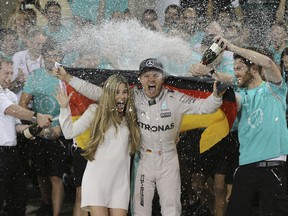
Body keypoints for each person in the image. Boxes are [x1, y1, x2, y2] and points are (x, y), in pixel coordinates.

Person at [53, 57, 224, 216]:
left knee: (171, 208)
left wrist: (216, 96)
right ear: (140, 79)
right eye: (146, 75)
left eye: (155, 75)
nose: (151, 79)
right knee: (141, 210)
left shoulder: (175, 98)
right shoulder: (132, 97)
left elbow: (204, 107)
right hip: (144, 159)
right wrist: (69, 78)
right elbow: (100, 94)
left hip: (169, 158)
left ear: (162, 78)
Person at [192, 35, 288, 216]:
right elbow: (226, 88)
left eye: (240, 68)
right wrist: (207, 71)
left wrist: (232, 47)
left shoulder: (275, 89)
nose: (236, 72)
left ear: (253, 68)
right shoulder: (240, 96)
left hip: (273, 166)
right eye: (234, 68)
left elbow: (267, 62)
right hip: (245, 168)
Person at [55, 74, 141, 216]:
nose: (121, 96)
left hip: (120, 183)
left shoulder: (130, 116)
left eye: (124, 92)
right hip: (97, 181)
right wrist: (64, 108)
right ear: (108, 94)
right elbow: (69, 133)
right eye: (116, 92)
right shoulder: (95, 111)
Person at [19, 39, 70, 216]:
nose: (53, 58)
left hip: (61, 133)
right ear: (43, 56)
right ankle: (46, 204)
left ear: (61, 57)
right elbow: (22, 104)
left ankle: (55, 213)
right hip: (39, 134)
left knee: (55, 176)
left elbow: (75, 109)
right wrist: (36, 126)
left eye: (56, 54)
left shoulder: (66, 77)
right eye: (49, 54)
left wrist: (61, 129)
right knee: (41, 174)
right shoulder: (35, 76)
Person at [0, 54, 51, 216]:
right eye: (5, 73)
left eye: (11, 73)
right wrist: (37, 116)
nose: (9, 77)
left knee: (19, 195)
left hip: (11, 153)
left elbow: (17, 126)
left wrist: (35, 128)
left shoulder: (9, 94)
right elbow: (12, 110)